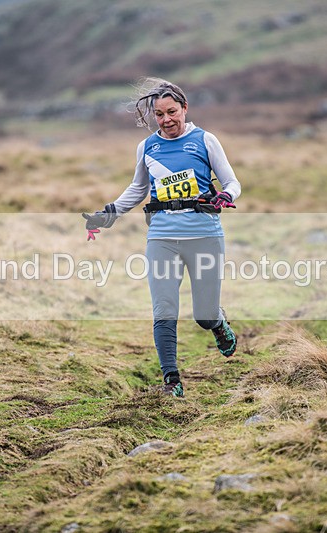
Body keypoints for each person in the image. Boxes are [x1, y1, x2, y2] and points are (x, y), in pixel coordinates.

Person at [82, 78, 242, 398]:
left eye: (172, 111)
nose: (167, 119)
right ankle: (172, 381)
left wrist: (224, 196)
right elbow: (138, 190)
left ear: (184, 108)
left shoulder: (205, 140)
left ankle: (218, 322)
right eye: (160, 114)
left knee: (204, 314)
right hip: (163, 237)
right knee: (164, 308)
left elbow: (232, 182)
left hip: (204, 235)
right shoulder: (147, 147)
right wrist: (108, 213)